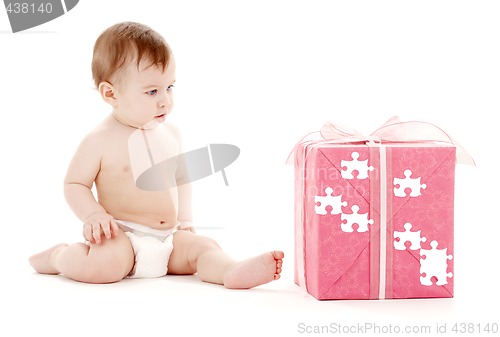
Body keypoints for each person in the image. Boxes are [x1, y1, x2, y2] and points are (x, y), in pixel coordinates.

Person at [29, 21, 283, 288]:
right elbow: (75, 183)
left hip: (170, 237)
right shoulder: (99, 140)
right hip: (123, 235)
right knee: (104, 267)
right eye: (152, 91)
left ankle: (230, 270)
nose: (165, 100)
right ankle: (59, 257)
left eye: (169, 87)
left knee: (203, 247)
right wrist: (93, 215)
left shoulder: (171, 133)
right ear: (110, 93)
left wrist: (185, 221)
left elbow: (182, 180)